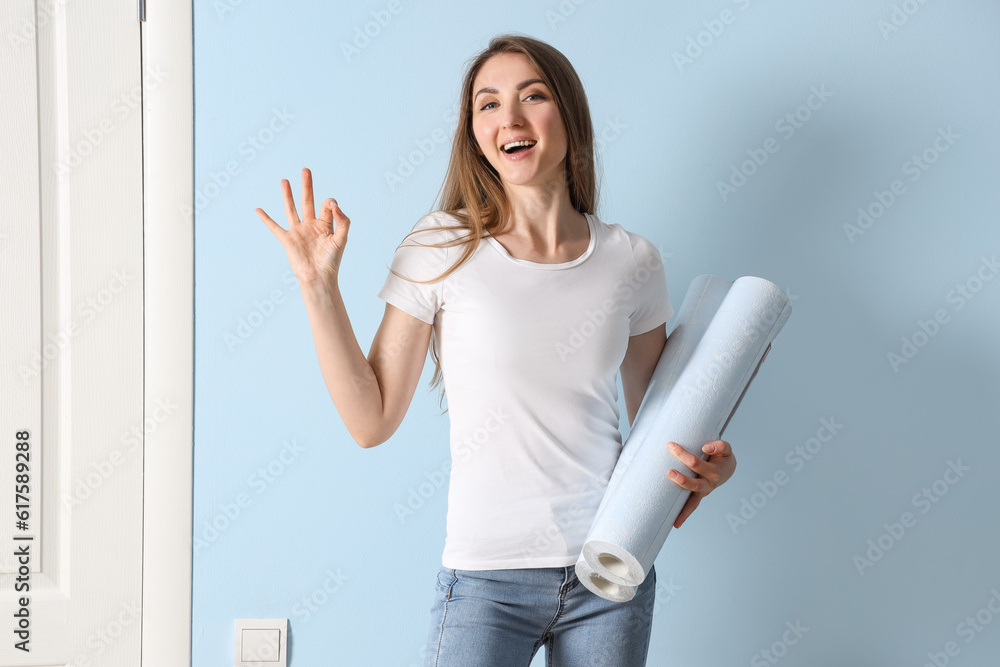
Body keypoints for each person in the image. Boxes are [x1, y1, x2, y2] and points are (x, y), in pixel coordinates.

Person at [256, 32, 736, 667]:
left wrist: (711, 468)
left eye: (531, 96)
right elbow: (370, 421)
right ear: (475, 132)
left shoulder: (632, 260)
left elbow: (662, 428)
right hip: (487, 580)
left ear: (568, 114)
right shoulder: (441, 247)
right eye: (487, 104)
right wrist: (319, 288)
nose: (508, 117)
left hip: (610, 568)